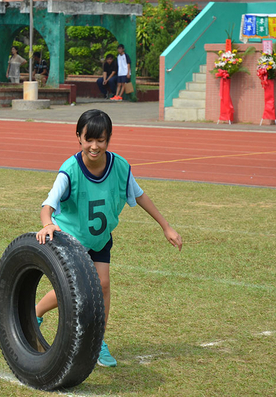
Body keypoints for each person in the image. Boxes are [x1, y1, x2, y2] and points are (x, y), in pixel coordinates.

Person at [34, 109, 182, 368]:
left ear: (108, 139)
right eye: (88, 139)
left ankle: (97, 341)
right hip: (70, 240)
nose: (94, 146)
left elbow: (139, 195)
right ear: (78, 137)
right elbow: (48, 204)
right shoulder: (70, 170)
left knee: (102, 285)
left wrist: (166, 226)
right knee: (74, 288)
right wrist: (47, 224)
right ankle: (34, 313)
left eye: (100, 140)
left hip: (100, 239)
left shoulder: (120, 167)